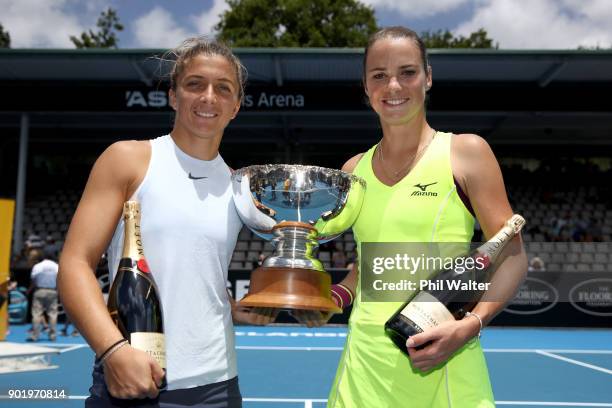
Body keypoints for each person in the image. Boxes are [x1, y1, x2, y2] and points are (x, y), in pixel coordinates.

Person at [296, 27, 528, 407]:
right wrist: (336, 295)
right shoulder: (353, 170)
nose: (393, 86)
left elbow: (513, 257)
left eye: (407, 72)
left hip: (445, 366)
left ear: (428, 77)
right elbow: (369, 263)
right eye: (379, 75)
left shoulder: (466, 152)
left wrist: (470, 326)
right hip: (363, 371)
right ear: (365, 87)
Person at [58, 37, 277, 407]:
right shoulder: (129, 159)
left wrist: (231, 307)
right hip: (133, 373)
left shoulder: (240, 185)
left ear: (236, 106)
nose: (208, 97)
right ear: (173, 96)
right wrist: (112, 351)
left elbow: (196, 267)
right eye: (195, 84)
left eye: (223, 89)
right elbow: (74, 264)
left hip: (218, 385)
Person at [27, 249, 59, 342]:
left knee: (36, 314)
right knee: (52, 314)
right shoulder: (56, 266)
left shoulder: (38, 266)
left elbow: (33, 280)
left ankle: (35, 335)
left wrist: (29, 290)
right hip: (52, 291)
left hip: (39, 291)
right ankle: (52, 335)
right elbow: (60, 280)